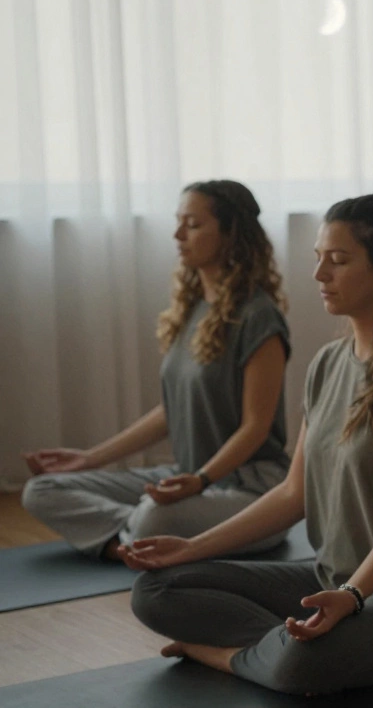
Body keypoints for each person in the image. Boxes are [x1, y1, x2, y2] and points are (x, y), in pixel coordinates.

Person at [124, 195, 373, 695]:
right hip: (329, 581)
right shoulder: (327, 364)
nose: (319, 274)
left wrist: (354, 595)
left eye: (338, 260)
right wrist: (191, 548)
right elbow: (294, 495)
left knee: (302, 666)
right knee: (157, 589)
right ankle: (281, 647)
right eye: (318, 258)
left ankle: (232, 655)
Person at [21, 180, 291, 558]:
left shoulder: (260, 317)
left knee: (153, 517)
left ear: (232, 234)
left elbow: (255, 427)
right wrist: (89, 458)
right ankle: (135, 542)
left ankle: (137, 536)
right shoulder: (194, 309)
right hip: (189, 478)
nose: (178, 235)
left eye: (193, 225)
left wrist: (200, 481)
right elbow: (172, 412)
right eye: (179, 223)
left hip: (250, 489)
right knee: (43, 490)